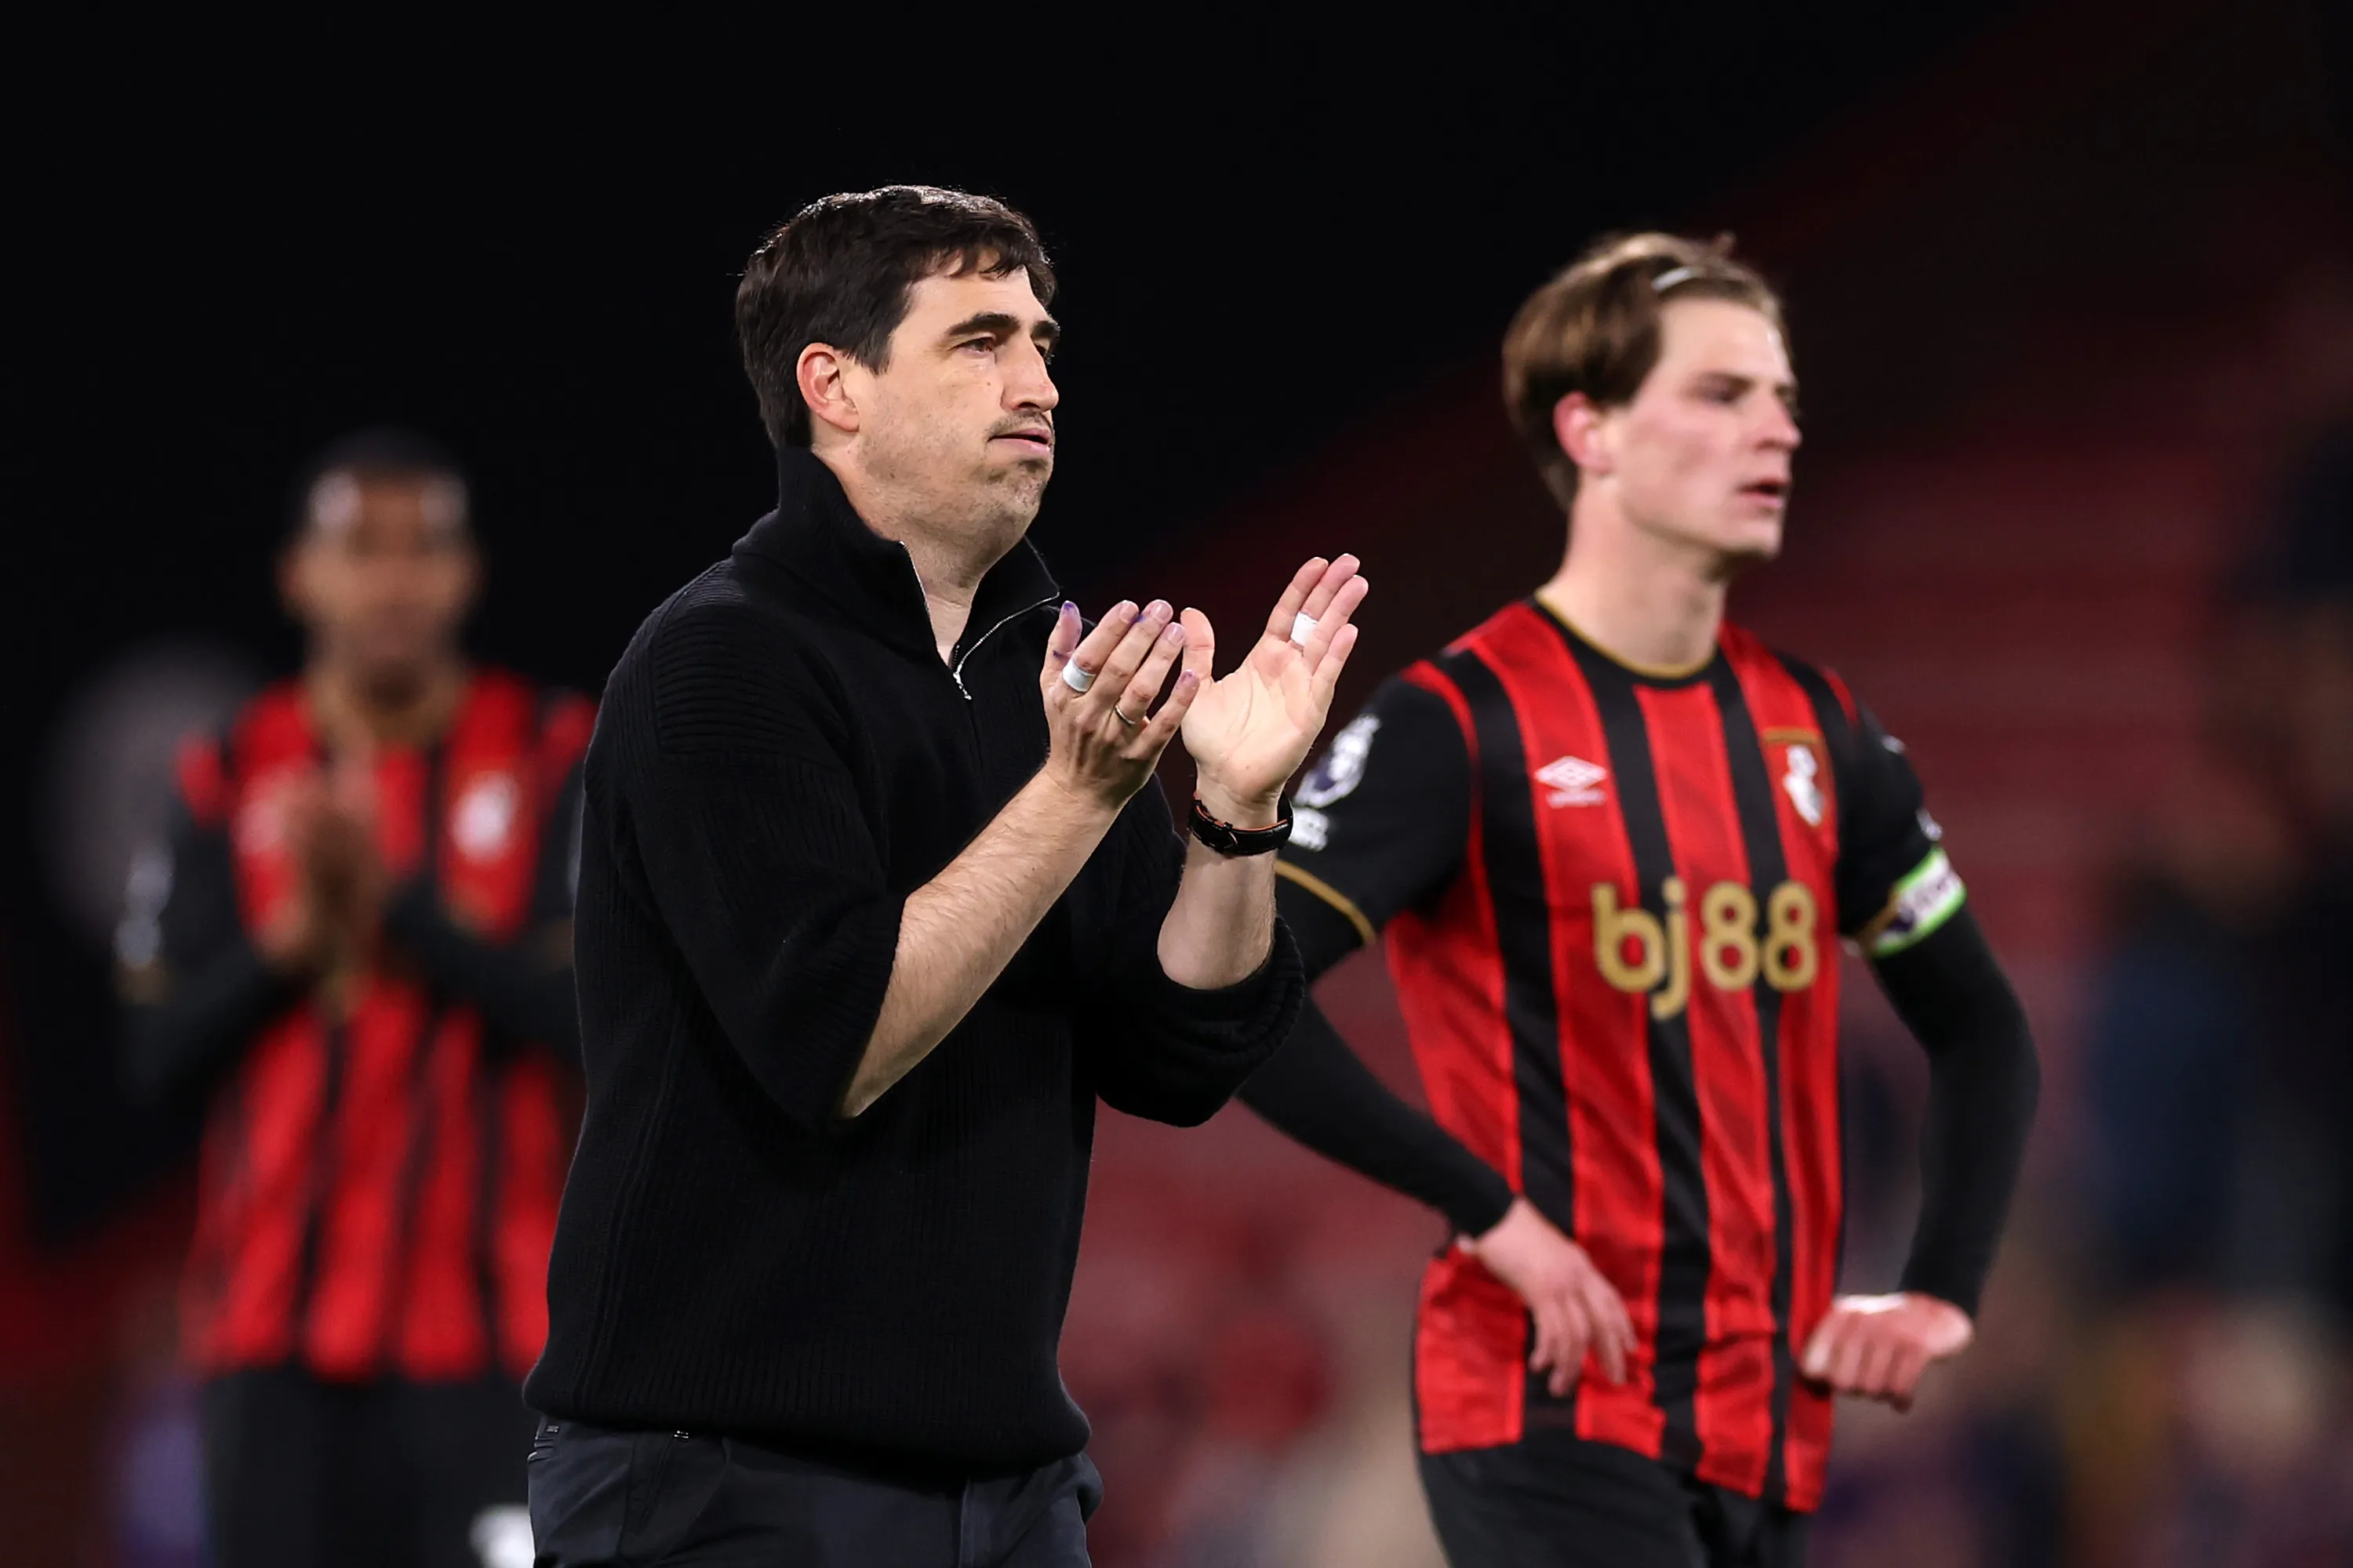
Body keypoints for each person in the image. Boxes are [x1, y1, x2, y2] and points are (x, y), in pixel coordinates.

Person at [522, 184, 1365, 1568]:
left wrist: (1232, 811)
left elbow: (1180, 1052)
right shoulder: (720, 663)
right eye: (979, 341)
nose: (1036, 380)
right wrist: (1078, 793)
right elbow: (838, 1042)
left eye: (1041, 342)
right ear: (833, 386)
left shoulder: (1051, 663)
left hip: (1009, 1489)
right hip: (720, 1486)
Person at [1235, 233, 2041, 1566]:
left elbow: (1982, 1028)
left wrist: (1941, 1289)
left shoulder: (1820, 731)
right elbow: (1234, 1001)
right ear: (1590, 429)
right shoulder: (1459, 721)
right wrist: (1483, 1205)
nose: (1775, 427)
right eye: (1722, 394)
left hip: (1761, 1423)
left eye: (1781, 395)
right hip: (1544, 1400)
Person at [119, 428, 592, 1568]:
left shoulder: (550, 757)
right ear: (298, 573)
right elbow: (150, 1060)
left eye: (422, 545)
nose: (392, 578)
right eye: (358, 545)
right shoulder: (222, 775)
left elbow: (599, 1020)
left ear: (466, 572)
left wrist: (399, 911)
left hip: (490, 1341)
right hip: (268, 1341)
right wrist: (289, 950)